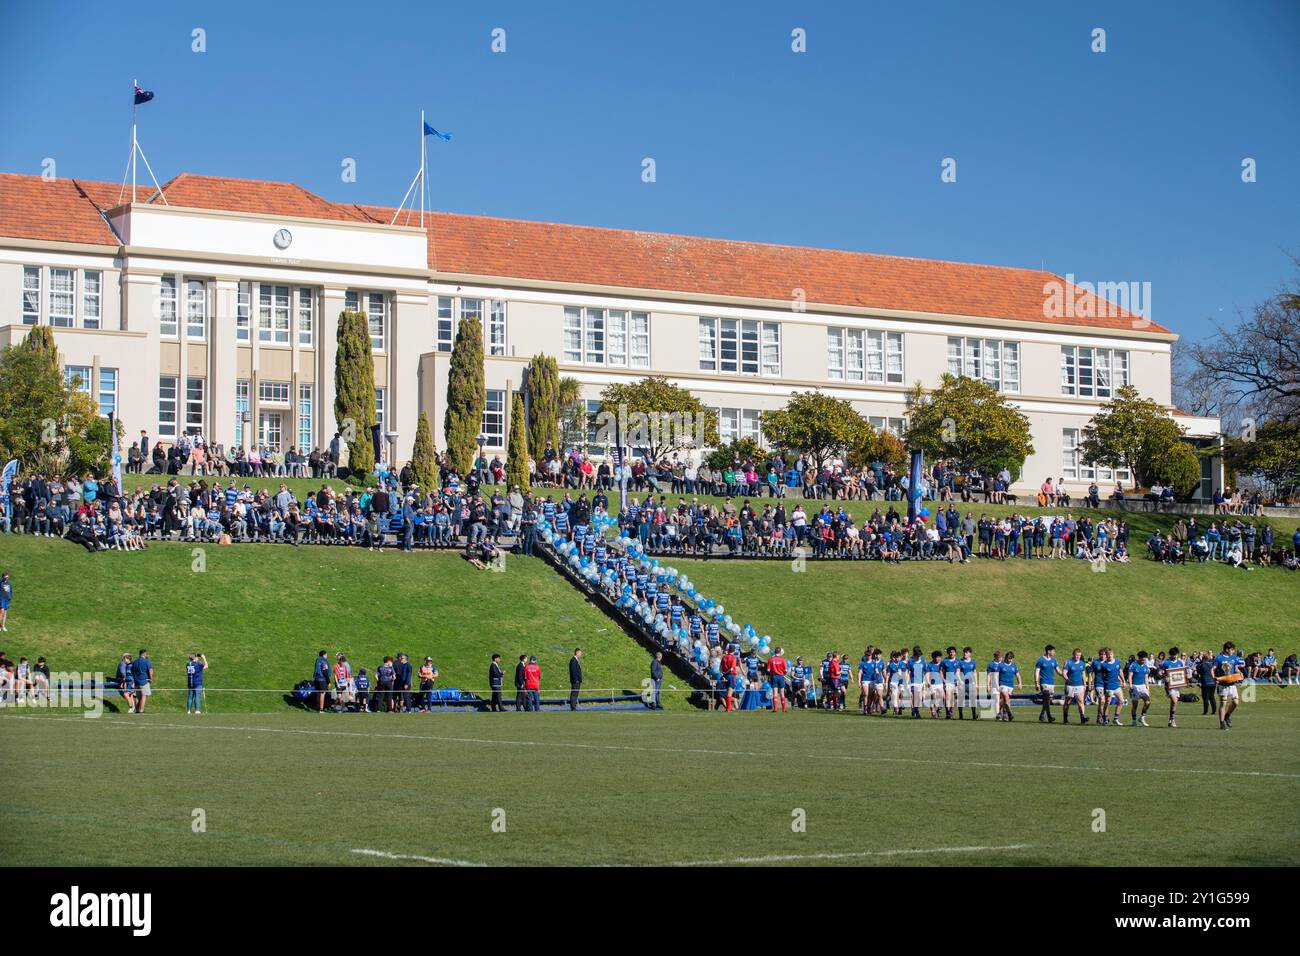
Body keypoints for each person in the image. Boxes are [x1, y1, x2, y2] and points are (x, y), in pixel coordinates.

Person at [1213, 641, 1245, 731]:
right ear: (1227, 649)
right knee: (1223, 703)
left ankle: (1227, 715)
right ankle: (1222, 723)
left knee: (1236, 702)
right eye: (1232, 649)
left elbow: (1235, 668)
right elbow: (1213, 669)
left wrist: (1240, 673)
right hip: (1223, 685)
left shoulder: (1234, 657)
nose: (1233, 651)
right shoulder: (1219, 658)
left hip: (1232, 684)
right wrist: (1214, 678)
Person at [1160, 646, 1186, 728]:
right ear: (1170, 655)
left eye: (1176, 655)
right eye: (1173, 655)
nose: (1174, 656)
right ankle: (1173, 720)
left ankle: (1171, 720)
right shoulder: (1166, 663)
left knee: (1174, 704)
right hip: (1169, 686)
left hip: (1177, 685)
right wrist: (1164, 677)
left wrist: (1185, 677)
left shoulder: (1180, 662)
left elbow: (1182, 673)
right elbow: (1160, 672)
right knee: (1174, 701)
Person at [1060, 648, 1089, 724]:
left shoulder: (1082, 663)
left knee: (1081, 701)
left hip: (1079, 685)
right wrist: (1067, 679)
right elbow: (1064, 672)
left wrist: (1085, 684)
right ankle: (1065, 718)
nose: (1077, 657)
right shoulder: (1068, 662)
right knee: (1068, 701)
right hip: (1070, 686)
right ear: (1073, 655)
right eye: (1076, 655)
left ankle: (1082, 717)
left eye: (1079, 655)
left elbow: (1083, 673)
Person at [1127, 651, 1153, 726]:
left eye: (1144, 660)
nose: (1143, 661)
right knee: (1135, 705)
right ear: (1139, 658)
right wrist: (1131, 685)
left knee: (1148, 702)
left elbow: (1146, 678)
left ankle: (1142, 717)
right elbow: (1130, 676)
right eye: (1142, 660)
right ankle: (1134, 720)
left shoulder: (1145, 666)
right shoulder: (1133, 665)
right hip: (1135, 686)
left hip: (1143, 687)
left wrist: (1148, 687)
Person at [1034, 645, 1058, 723]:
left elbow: (1058, 671)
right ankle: (1049, 717)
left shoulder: (1054, 660)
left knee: (1047, 700)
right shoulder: (1041, 660)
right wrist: (1036, 683)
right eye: (1053, 651)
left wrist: (1066, 676)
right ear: (1048, 651)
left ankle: (1042, 714)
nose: (1054, 652)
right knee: (1047, 699)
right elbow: (1037, 672)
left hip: (1052, 683)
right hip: (1044, 683)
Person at [132, 649, 154, 714]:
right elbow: (151, 670)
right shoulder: (147, 661)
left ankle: (137, 710)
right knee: (144, 695)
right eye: (146, 654)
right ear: (144, 654)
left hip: (136, 681)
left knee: (137, 696)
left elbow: (132, 671)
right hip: (144, 681)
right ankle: (141, 710)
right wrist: (151, 678)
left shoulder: (135, 662)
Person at [767, 646, 788, 713]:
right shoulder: (782, 660)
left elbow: (768, 670)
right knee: (782, 693)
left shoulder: (771, 660)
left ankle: (775, 708)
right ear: (780, 652)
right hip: (781, 676)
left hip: (774, 676)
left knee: (775, 693)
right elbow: (786, 670)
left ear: (774, 652)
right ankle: (784, 709)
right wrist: (783, 673)